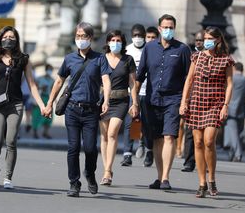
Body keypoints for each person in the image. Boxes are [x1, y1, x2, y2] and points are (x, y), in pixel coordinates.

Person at [44, 22, 111, 197]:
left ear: (90, 38)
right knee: (73, 147)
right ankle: (74, 183)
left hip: (91, 111)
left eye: (84, 36)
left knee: (90, 148)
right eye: (78, 36)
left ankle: (89, 174)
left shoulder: (100, 58)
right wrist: (50, 102)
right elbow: (59, 81)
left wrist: (106, 100)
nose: (80, 39)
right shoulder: (69, 59)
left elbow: (106, 80)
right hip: (72, 109)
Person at [0, 26, 46, 189]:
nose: (9, 39)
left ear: (17, 40)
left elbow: (32, 84)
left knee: (11, 141)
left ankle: (8, 177)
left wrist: (42, 105)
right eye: (6, 36)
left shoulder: (23, 59)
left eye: (12, 37)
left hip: (15, 104)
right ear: (0, 39)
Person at [136, 14, 191, 190]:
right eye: (165, 27)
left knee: (169, 136)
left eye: (171, 27)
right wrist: (134, 101)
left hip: (173, 99)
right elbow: (140, 75)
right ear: (159, 28)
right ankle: (159, 177)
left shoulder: (182, 49)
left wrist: (184, 102)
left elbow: (189, 78)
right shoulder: (149, 48)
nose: (168, 30)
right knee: (157, 139)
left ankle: (166, 177)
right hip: (152, 100)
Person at [180, 26, 234, 198]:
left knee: (209, 141)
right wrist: (184, 102)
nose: (206, 41)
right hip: (197, 102)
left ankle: (212, 178)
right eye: (205, 38)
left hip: (215, 104)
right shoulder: (197, 56)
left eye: (210, 38)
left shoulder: (226, 59)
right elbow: (189, 80)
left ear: (218, 40)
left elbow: (230, 84)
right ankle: (202, 182)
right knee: (197, 142)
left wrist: (225, 105)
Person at [99, 30, 138, 186]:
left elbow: (132, 84)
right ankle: (106, 168)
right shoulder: (101, 59)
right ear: (108, 42)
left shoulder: (128, 60)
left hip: (121, 101)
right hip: (103, 100)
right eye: (113, 40)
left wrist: (135, 103)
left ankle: (108, 171)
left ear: (122, 43)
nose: (115, 42)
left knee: (112, 133)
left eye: (119, 40)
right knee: (103, 137)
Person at [121, 25, 159, 168]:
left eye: (140, 35)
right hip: (133, 92)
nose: (138, 38)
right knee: (131, 122)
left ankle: (148, 150)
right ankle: (127, 154)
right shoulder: (128, 50)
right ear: (131, 35)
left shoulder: (151, 50)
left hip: (149, 92)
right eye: (135, 35)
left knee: (147, 124)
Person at [181, 30, 204, 172]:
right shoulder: (190, 56)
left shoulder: (213, 56)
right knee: (190, 131)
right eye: (197, 40)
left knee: (206, 135)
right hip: (192, 99)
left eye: (201, 40)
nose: (199, 43)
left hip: (208, 99)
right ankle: (189, 161)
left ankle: (205, 160)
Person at [223, 62, 245, 162]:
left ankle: (238, 154)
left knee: (233, 133)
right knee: (237, 133)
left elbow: (225, 90)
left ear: (234, 69)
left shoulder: (231, 79)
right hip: (241, 111)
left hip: (231, 110)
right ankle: (232, 152)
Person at [32, 64, 54, 139]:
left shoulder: (52, 80)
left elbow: (52, 91)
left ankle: (46, 132)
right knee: (37, 116)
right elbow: (35, 88)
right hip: (40, 98)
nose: (49, 71)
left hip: (48, 98)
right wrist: (41, 88)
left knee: (49, 117)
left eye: (51, 70)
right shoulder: (39, 79)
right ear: (46, 70)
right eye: (49, 69)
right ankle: (35, 132)